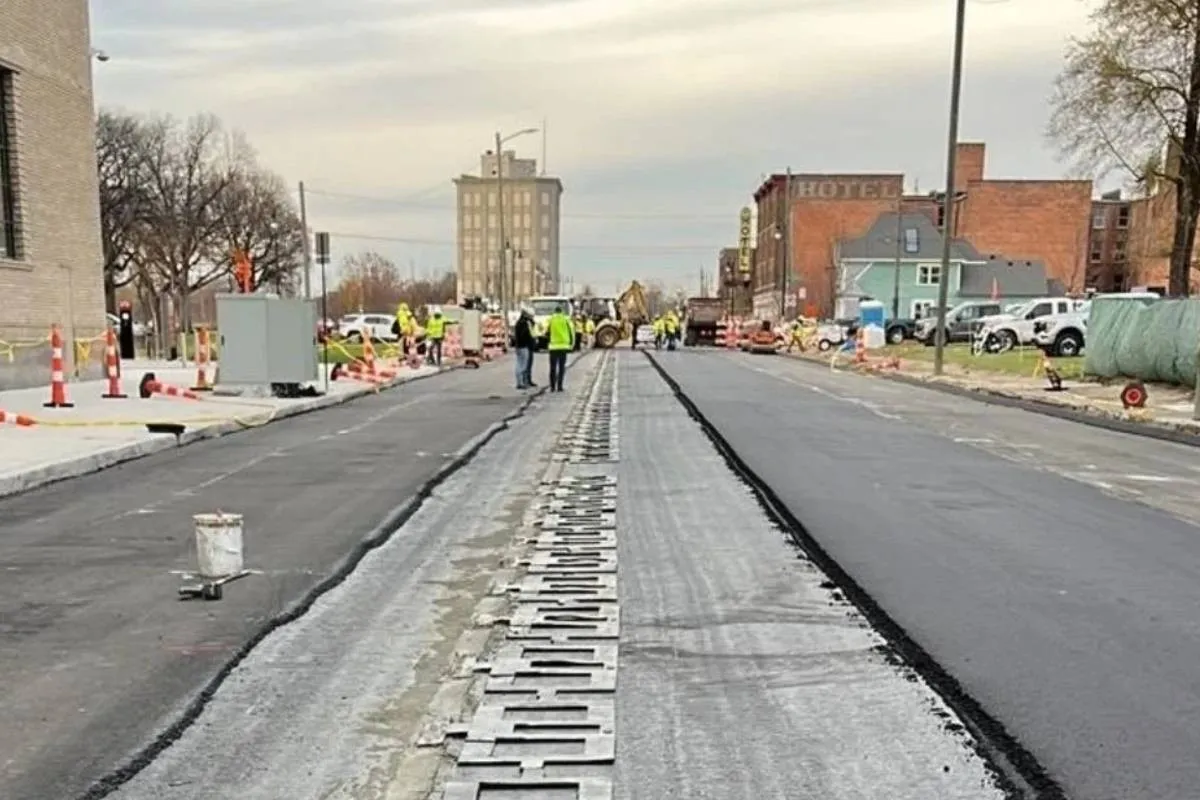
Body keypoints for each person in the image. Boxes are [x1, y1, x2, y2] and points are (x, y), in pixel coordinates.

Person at [546, 304, 574, 392]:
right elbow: (572, 332)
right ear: (562, 311)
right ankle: (560, 386)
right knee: (562, 368)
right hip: (563, 347)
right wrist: (572, 345)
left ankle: (552, 387)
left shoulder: (551, 320)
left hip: (553, 347)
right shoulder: (566, 320)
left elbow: (546, 332)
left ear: (555, 311)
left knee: (552, 368)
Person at [513, 307, 536, 389]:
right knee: (523, 365)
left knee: (522, 364)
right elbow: (525, 335)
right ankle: (521, 382)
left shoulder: (520, 323)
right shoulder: (524, 324)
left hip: (521, 346)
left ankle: (523, 381)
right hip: (524, 346)